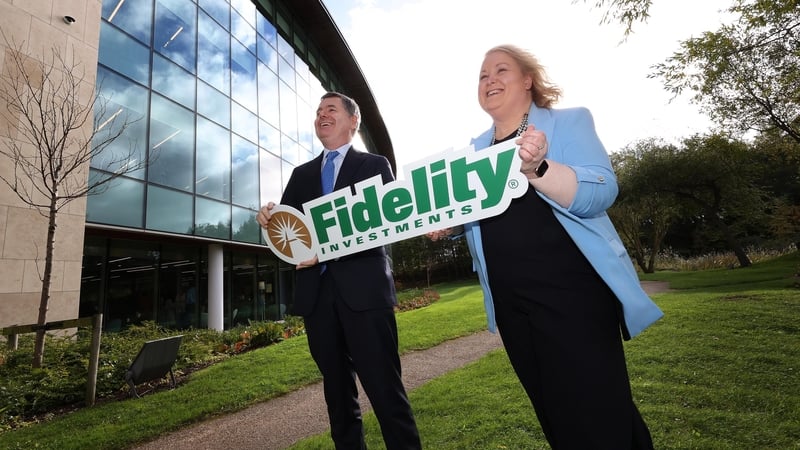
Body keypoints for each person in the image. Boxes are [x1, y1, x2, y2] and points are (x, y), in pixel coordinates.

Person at [428, 45, 664, 449]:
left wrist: (538, 167)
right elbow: (474, 218)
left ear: (527, 80)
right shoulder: (471, 154)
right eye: (483, 76)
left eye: (501, 70)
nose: (490, 81)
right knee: (558, 416)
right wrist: (446, 225)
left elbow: (602, 191)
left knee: (597, 411)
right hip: (511, 307)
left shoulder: (569, 123)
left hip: (574, 297)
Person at [257, 92, 421, 449]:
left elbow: (387, 224)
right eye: (318, 112)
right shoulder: (301, 175)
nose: (321, 116)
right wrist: (269, 220)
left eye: (330, 109)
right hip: (317, 298)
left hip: (365, 293)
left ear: (353, 121)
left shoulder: (375, 166)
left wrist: (328, 248)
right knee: (337, 397)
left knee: (385, 390)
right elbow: (290, 232)